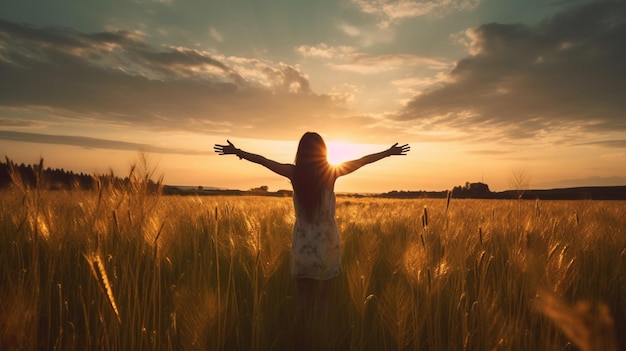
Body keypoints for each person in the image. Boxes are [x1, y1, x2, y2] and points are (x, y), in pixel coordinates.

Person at [214, 132, 409, 338]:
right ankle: (320, 336)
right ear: (322, 152)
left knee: (303, 297)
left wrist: (237, 152)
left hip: (303, 241)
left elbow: (263, 161)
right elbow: (362, 161)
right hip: (327, 241)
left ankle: (300, 335)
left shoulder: (293, 173)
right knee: (324, 297)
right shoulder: (331, 173)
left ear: (301, 152)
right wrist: (388, 153)